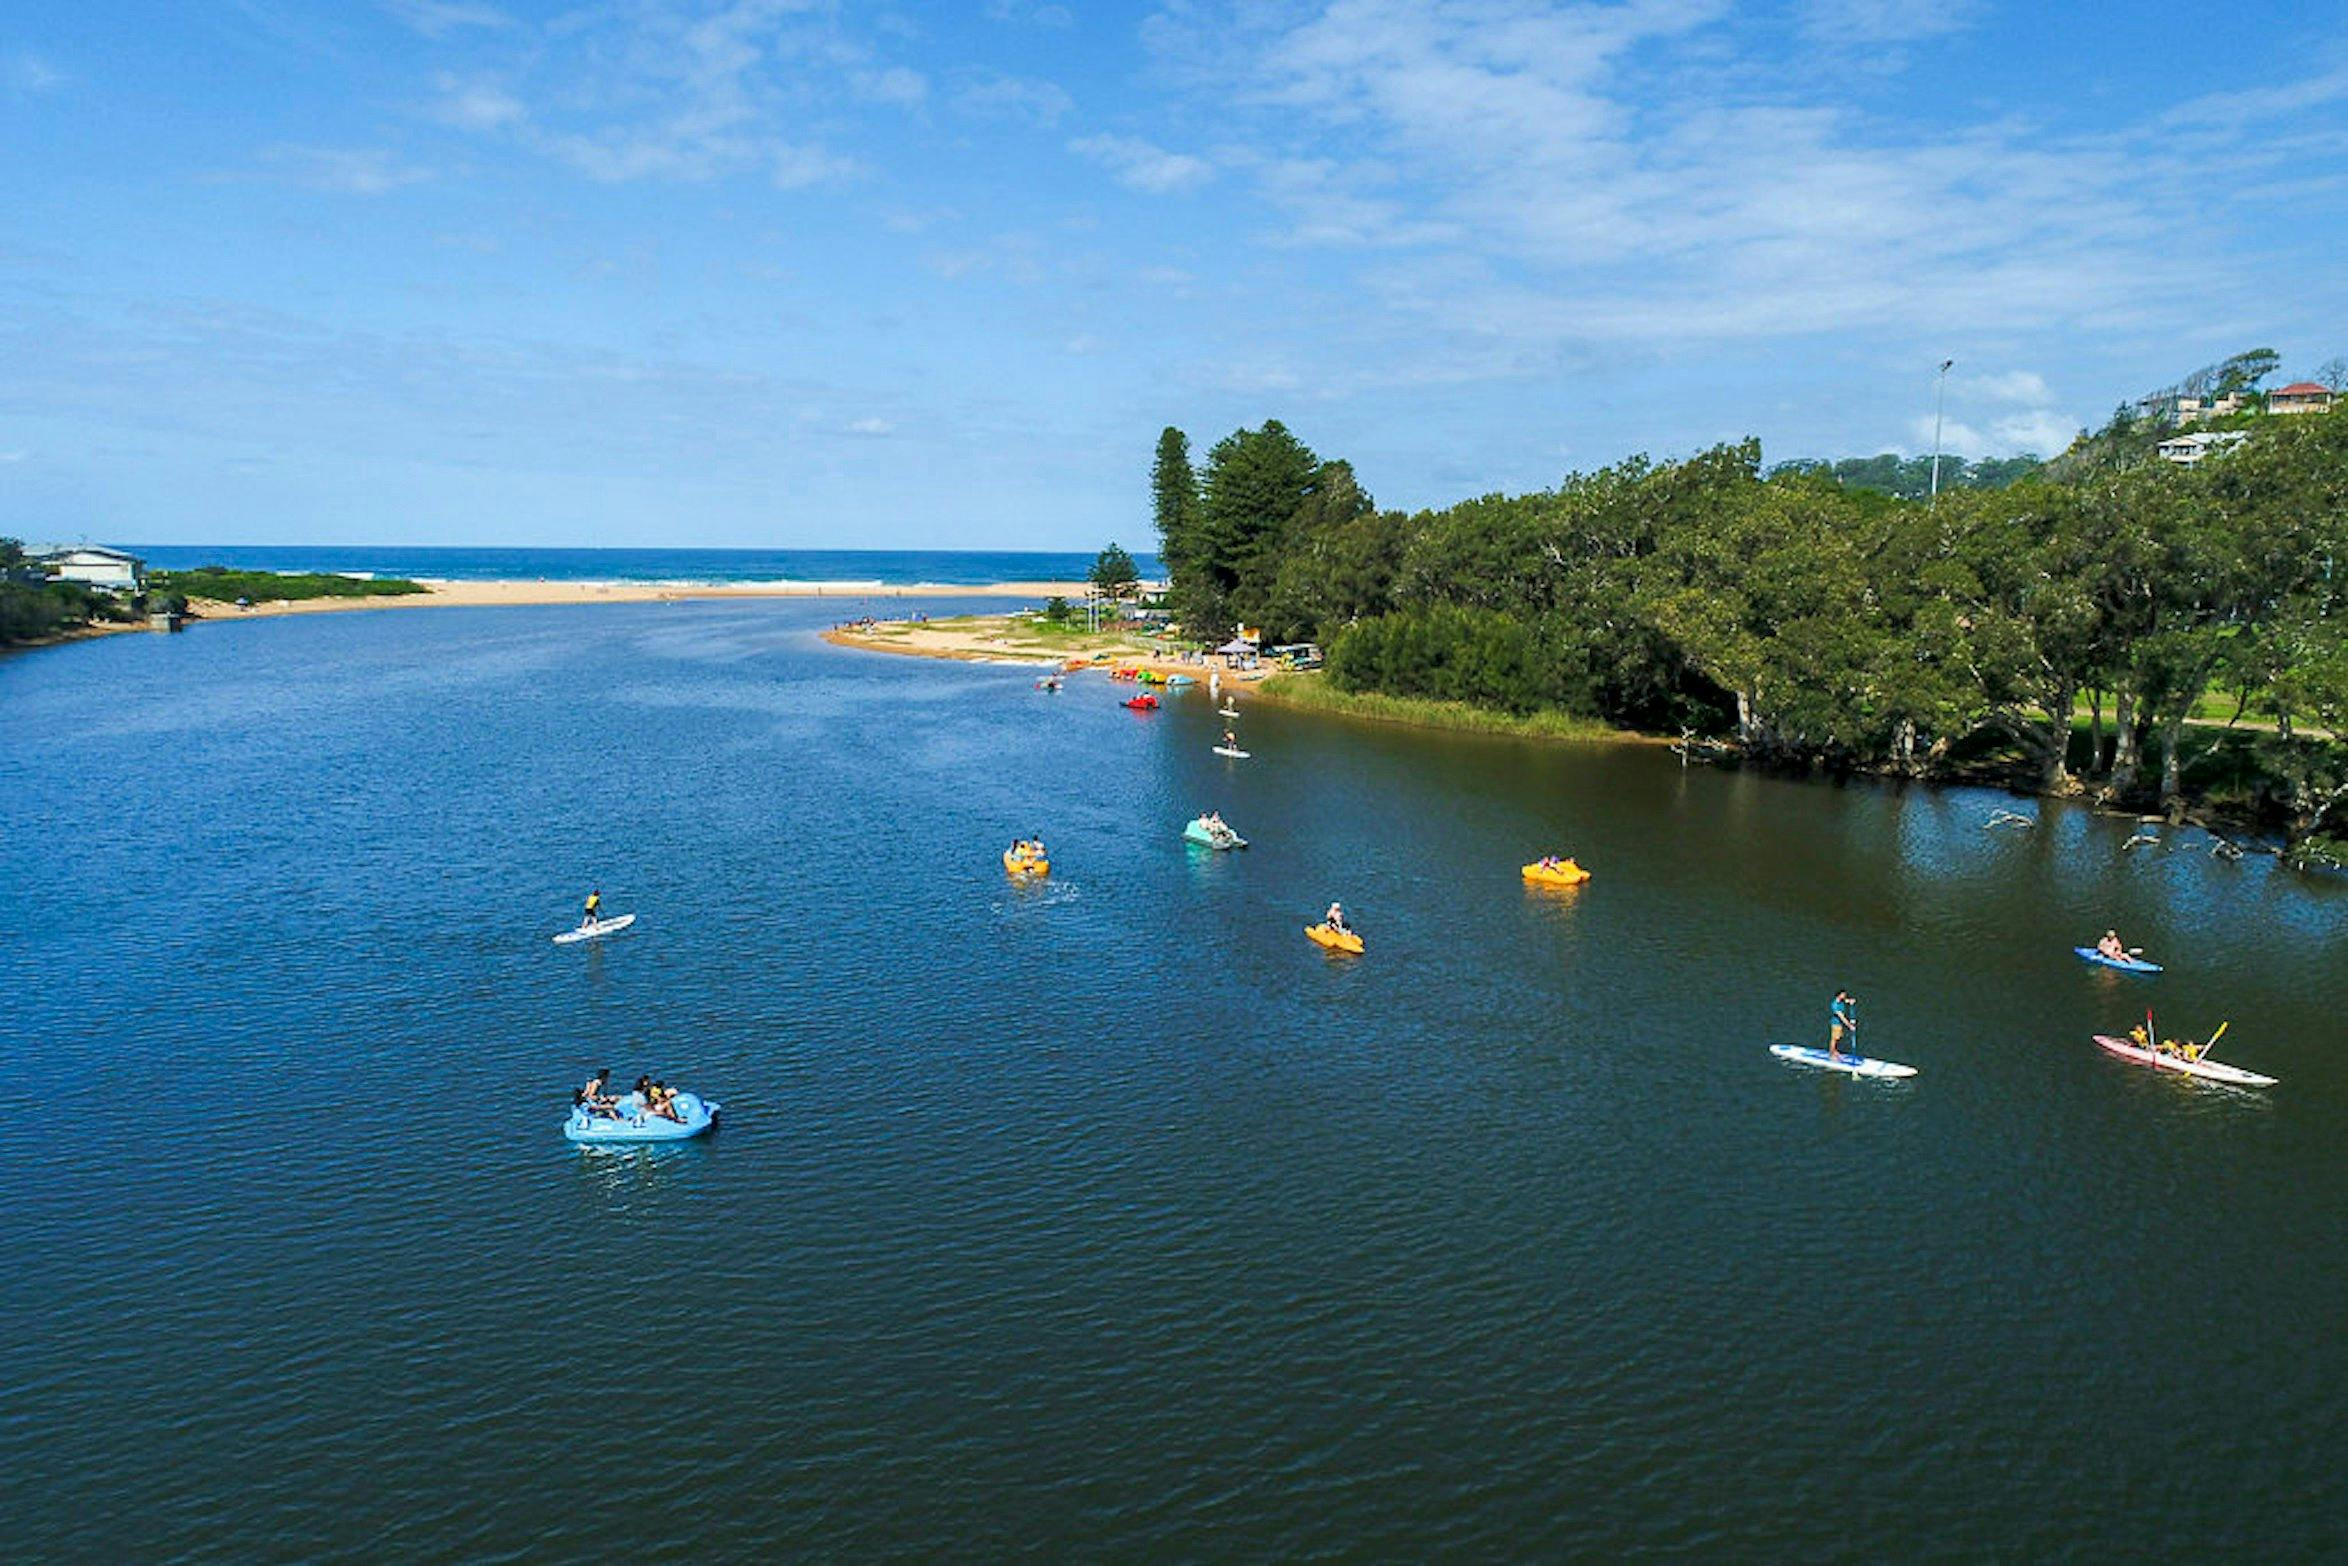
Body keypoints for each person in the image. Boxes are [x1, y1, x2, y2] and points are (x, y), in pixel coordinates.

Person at [1828, 990, 1857, 1060]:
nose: (1844, 996)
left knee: (1838, 1038)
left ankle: (1834, 1050)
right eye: (1843, 995)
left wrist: (1850, 1001)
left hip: (1840, 1024)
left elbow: (1847, 1001)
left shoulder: (1841, 1001)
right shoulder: (1834, 1005)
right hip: (1836, 1024)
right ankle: (1831, 1054)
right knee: (1834, 1039)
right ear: (1839, 995)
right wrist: (1850, 1026)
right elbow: (1842, 1017)